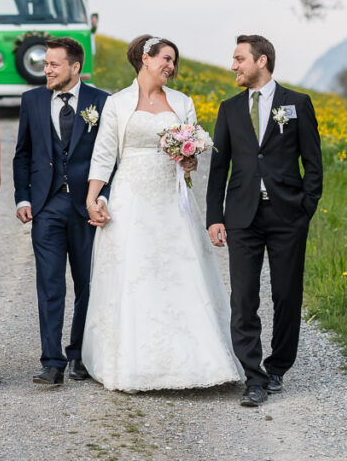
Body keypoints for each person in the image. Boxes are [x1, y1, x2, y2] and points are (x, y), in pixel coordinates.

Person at [82, 35, 243, 392]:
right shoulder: (118, 103)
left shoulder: (182, 102)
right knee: (133, 273)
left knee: (179, 270)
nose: (171, 67)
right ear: (145, 57)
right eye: (166, 59)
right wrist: (93, 197)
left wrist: (189, 160)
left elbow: (191, 159)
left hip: (172, 199)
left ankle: (196, 360)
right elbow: (105, 154)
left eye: (174, 62)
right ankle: (130, 362)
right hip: (130, 199)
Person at [206, 35, 323, 407]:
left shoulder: (297, 103)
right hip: (242, 216)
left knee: (287, 296)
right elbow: (218, 168)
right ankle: (253, 378)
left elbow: (313, 163)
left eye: (239, 59)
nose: (233, 66)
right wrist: (214, 217)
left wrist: (306, 207)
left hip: (288, 214)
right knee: (243, 298)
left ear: (262, 60)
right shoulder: (229, 108)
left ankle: (277, 368)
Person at [13, 37, 110, 386]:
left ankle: (79, 355)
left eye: (54, 64)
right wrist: (23, 198)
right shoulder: (32, 100)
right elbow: (23, 153)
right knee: (50, 285)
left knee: (87, 284)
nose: (46, 70)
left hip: (86, 207)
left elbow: (111, 157)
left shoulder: (102, 101)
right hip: (47, 206)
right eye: (45, 64)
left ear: (75, 67)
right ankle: (51, 362)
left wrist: (103, 199)